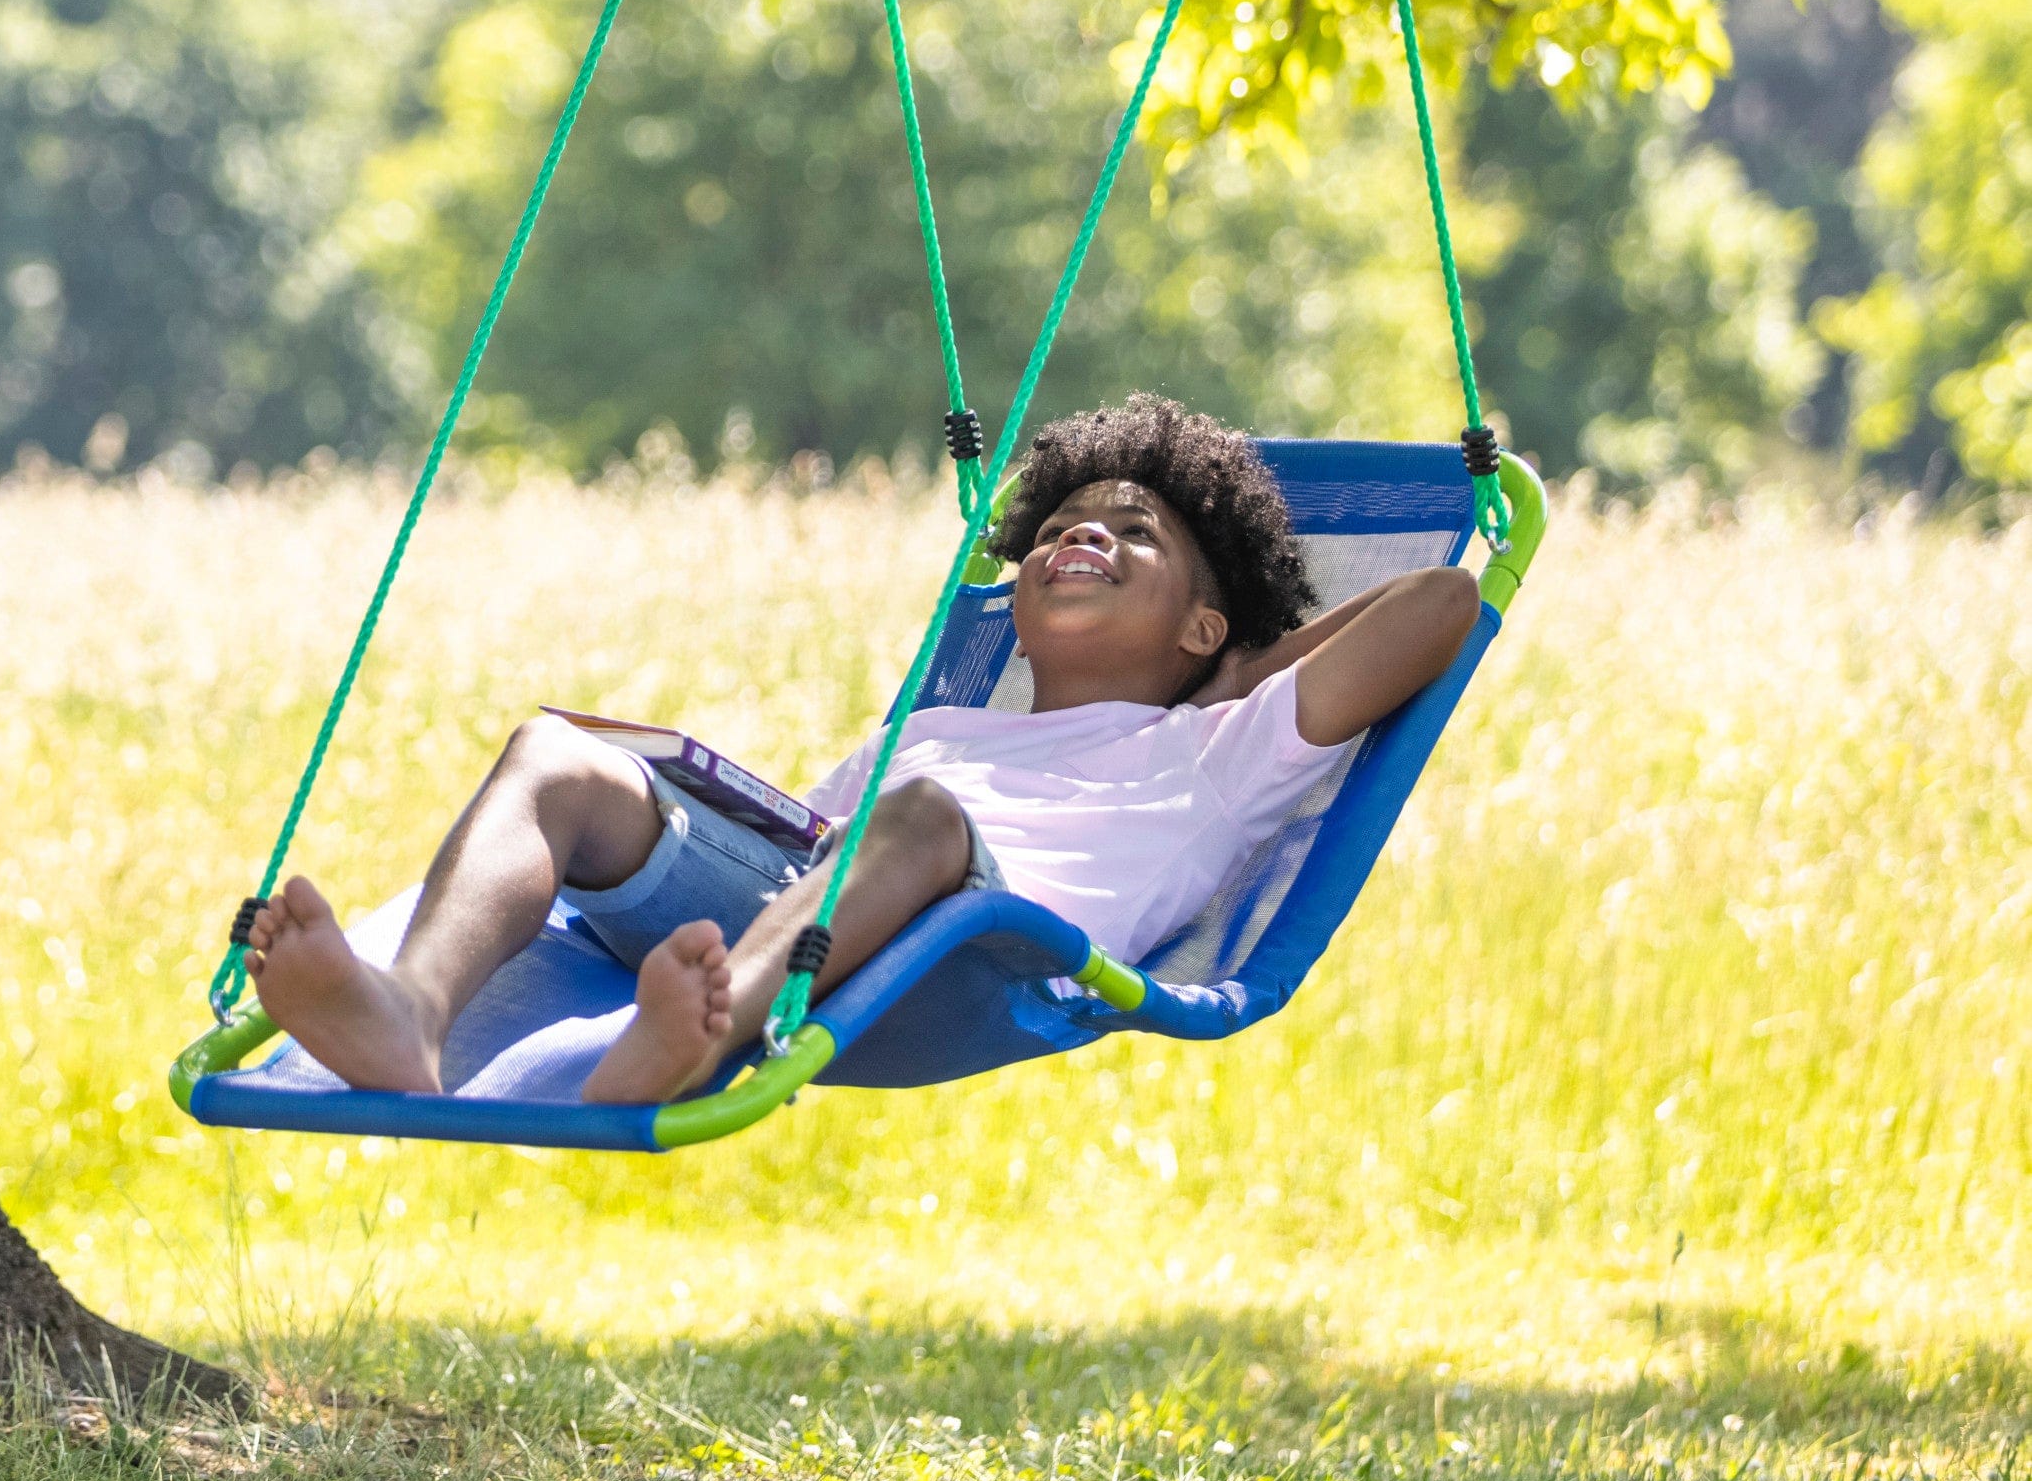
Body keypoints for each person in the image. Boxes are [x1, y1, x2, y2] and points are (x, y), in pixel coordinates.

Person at [246, 394, 1479, 1105]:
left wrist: (1242, 671)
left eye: (1132, 534)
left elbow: (1439, 604)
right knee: (556, 751)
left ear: (1206, 625)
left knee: (925, 819)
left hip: (962, 967)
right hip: (801, 915)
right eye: (1056, 528)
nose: (1078, 539)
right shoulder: (933, 728)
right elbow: (807, 845)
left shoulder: (1216, 750)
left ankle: (695, 1044)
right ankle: (408, 1012)